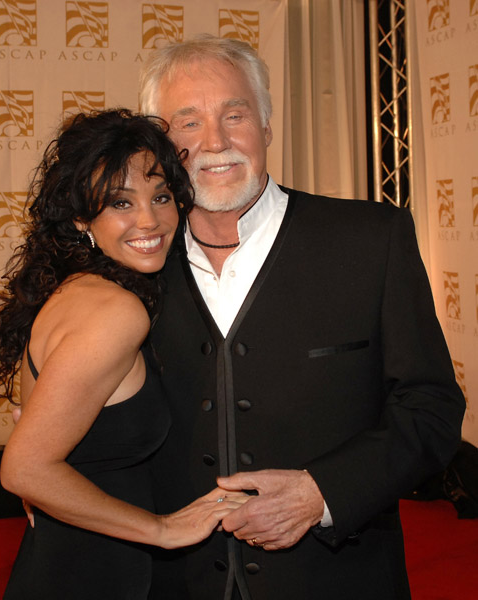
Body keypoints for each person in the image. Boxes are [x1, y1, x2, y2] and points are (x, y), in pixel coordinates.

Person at [137, 34, 466, 599]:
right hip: (173, 584)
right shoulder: (132, 268)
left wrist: (322, 493)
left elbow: (431, 407)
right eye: (188, 122)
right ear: (160, 146)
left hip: (339, 580)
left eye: (235, 115)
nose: (215, 141)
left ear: (266, 126)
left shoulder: (371, 240)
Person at [0, 108, 247, 600]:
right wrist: (162, 530)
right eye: (121, 202)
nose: (149, 220)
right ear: (82, 217)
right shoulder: (116, 311)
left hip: (63, 561)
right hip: (91, 575)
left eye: (161, 196)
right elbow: (25, 469)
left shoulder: (75, 290)